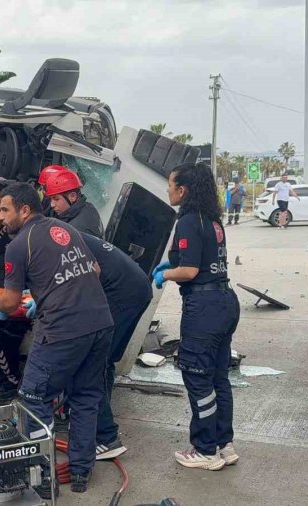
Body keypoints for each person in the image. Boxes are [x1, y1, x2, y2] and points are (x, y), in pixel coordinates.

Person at [0, 182, 113, 496]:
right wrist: (49, 293)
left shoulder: (18, 246)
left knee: (34, 401)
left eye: (5, 210)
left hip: (62, 330)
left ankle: (42, 479)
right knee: (86, 398)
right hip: (100, 323)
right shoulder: (65, 228)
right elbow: (95, 270)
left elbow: (9, 300)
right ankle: (81, 473)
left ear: (25, 210)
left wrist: (0, 312)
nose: (0, 218)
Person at [153, 161, 240, 471]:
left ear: (183, 189)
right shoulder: (212, 220)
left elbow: (189, 271)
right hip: (225, 301)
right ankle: (223, 443)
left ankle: (205, 450)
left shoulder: (189, 220)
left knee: (197, 377)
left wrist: (167, 274)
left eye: (171, 184)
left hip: (204, 308)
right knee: (218, 377)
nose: (168, 189)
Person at [80, 232, 153, 460]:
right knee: (106, 360)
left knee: (91, 365)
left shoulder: (57, 240)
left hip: (123, 293)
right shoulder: (66, 232)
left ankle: (106, 436)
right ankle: (97, 418)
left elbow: (94, 272)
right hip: (137, 287)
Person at [43, 168, 105, 238]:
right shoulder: (88, 207)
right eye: (51, 199)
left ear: (73, 196)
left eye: (56, 199)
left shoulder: (75, 231)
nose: (52, 205)